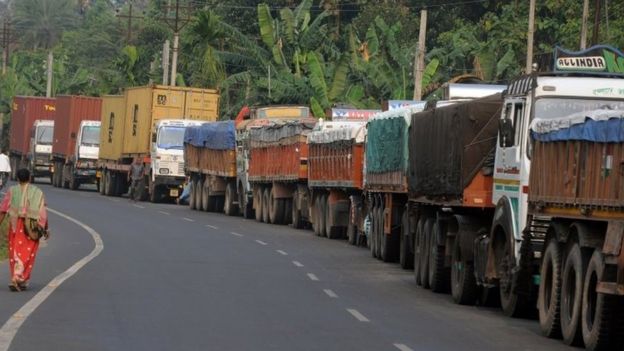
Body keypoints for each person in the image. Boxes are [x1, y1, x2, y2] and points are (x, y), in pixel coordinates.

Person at [0, 168, 48, 291]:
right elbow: (42, 213)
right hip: (32, 227)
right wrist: (44, 229)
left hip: (16, 227)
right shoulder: (37, 192)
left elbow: (3, 210)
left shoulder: (12, 191)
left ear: (17, 179)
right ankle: (18, 277)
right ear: (30, 178)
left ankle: (18, 278)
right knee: (27, 253)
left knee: (15, 252)